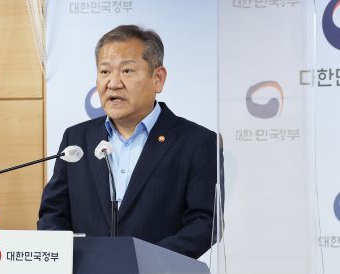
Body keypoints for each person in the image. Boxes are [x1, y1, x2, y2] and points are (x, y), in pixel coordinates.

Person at [38, 24, 216, 260]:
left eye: (127, 71)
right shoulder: (77, 140)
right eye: (104, 72)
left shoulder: (196, 142)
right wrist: (70, 260)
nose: (113, 83)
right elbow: (53, 214)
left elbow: (204, 223)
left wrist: (143, 261)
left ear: (158, 78)